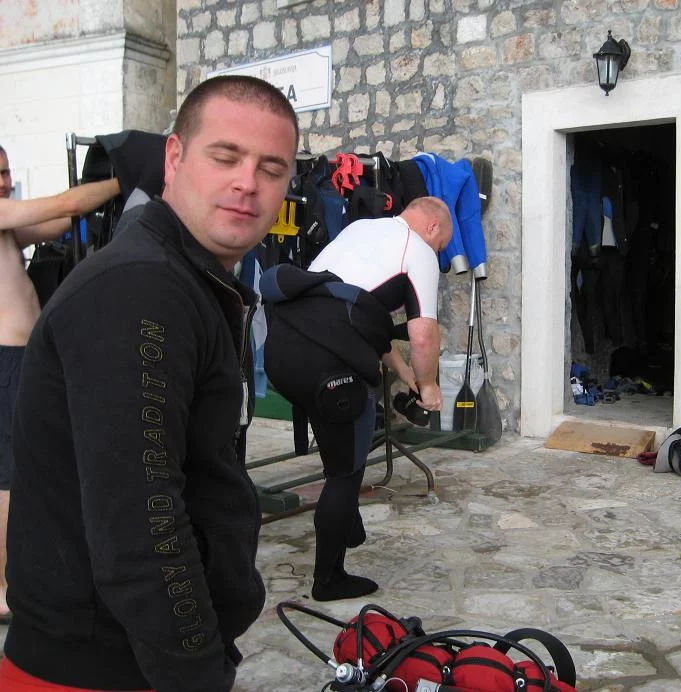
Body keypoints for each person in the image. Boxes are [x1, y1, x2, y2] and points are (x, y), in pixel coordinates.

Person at [1, 75, 298, 691]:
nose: (248, 182)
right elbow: (142, 522)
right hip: (97, 669)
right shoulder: (140, 288)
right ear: (174, 158)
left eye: (272, 168)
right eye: (225, 157)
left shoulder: (185, 278)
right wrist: (197, 674)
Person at [260, 196, 452, 601]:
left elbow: (353, 313)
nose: (437, 253)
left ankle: (346, 522)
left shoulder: (363, 228)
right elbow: (423, 335)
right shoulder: (418, 250)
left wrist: (405, 373)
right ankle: (329, 580)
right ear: (433, 227)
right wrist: (429, 386)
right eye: (441, 246)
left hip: (283, 349)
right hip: (326, 363)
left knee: (346, 444)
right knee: (345, 472)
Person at [0, 144, 121, 625]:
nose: (3, 181)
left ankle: (22, 573)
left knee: (24, 471)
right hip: (5, 361)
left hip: (20, 359)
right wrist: (126, 175)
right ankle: (4, 587)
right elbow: (67, 204)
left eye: (6, 171)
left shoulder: (8, 226)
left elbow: (57, 223)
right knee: (8, 478)